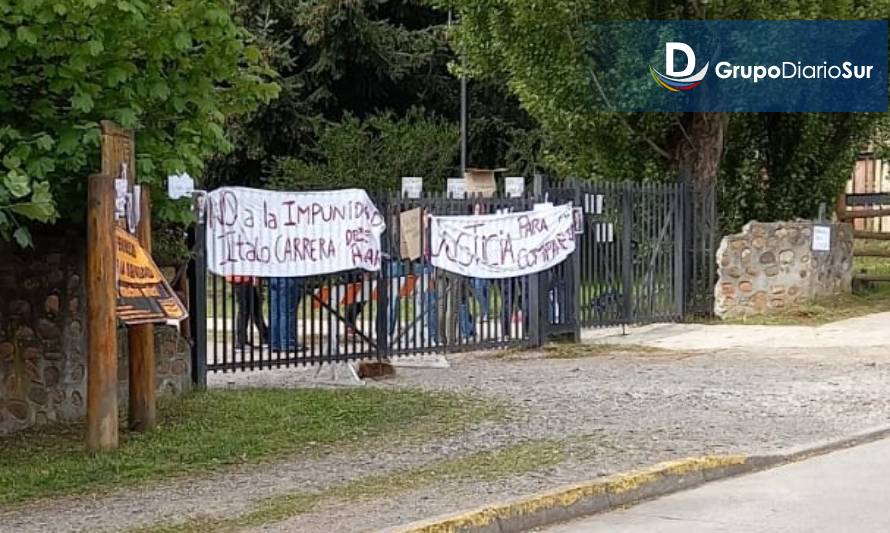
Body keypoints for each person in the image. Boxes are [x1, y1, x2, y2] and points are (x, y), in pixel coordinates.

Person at [229, 276, 267, 350]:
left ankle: (265, 336)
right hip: (243, 279)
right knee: (245, 310)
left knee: (255, 309)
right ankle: (241, 342)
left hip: (246, 280)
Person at [269, 277, 304, 352]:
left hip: (274, 277)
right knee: (287, 313)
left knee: (275, 312)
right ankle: (288, 343)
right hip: (288, 277)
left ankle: (275, 343)